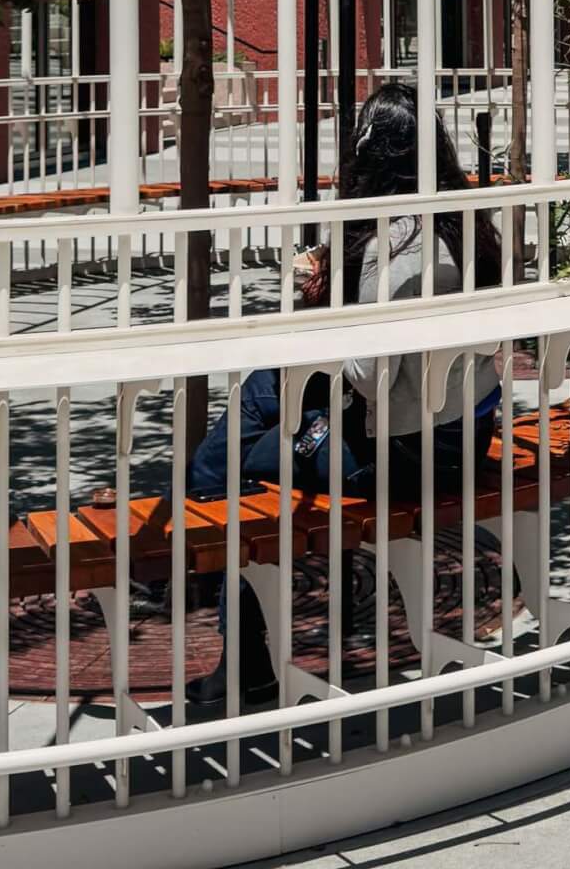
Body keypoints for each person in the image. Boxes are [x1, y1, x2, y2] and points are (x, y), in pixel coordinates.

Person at [185, 81, 502, 709]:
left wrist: (320, 312)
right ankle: (206, 546)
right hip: (461, 433)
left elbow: (366, 375)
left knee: (238, 468)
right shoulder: (459, 223)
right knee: (263, 401)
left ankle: (235, 642)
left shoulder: (400, 245)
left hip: (404, 452)